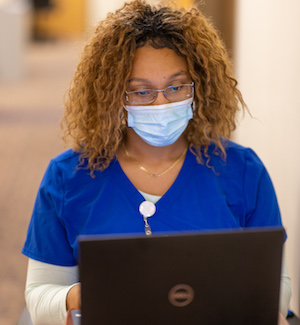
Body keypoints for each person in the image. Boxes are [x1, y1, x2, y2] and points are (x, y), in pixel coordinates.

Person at [22, 1, 291, 324]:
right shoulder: (68, 178)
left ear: (199, 88)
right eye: (141, 92)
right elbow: (40, 296)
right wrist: (79, 296)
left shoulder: (243, 171)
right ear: (113, 97)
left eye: (176, 87)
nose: (161, 102)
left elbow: (277, 285)